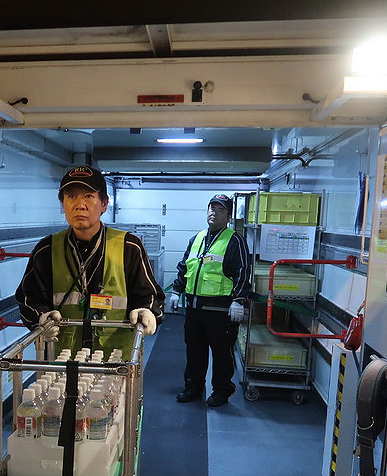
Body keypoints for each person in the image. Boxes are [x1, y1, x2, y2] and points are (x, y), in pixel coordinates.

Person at [16, 165, 164, 356]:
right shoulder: (46, 249)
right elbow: (29, 299)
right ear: (62, 204)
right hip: (62, 356)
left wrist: (147, 311)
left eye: (88, 196)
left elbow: (151, 296)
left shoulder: (129, 246)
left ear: (104, 203)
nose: (80, 204)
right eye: (71, 197)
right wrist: (41, 318)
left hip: (116, 358)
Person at [169, 194, 250, 407]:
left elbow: (243, 271)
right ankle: (193, 388)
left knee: (222, 354)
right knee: (194, 351)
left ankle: (222, 392)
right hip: (195, 309)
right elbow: (185, 266)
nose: (214, 212)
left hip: (220, 310)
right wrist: (176, 291)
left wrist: (239, 300)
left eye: (220, 210)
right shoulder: (197, 238)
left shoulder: (235, 240)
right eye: (211, 208)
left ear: (229, 216)